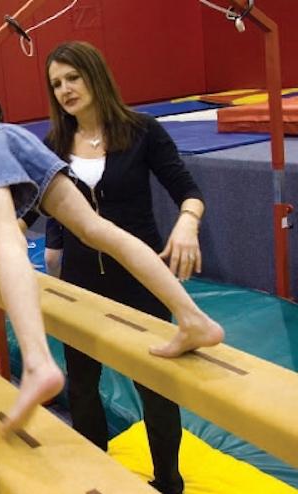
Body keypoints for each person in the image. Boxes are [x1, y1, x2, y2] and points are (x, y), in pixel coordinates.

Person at [0, 118, 224, 435]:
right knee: (95, 228)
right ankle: (194, 319)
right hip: (11, 137)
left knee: (2, 236)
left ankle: (37, 364)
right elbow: (6, 211)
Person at [40, 41, 206, 494]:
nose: (65, 89)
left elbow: (187, 190)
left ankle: (169, 481)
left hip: (141, 279)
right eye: (56, 83)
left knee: (155, 385)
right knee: (83, 384)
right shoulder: (54, 144)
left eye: (72, 77)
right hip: (81, 283)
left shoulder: (142, 131)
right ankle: (97, 475)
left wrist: (188, 224)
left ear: (95, 75)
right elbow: (28, 206)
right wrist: (0, 241)